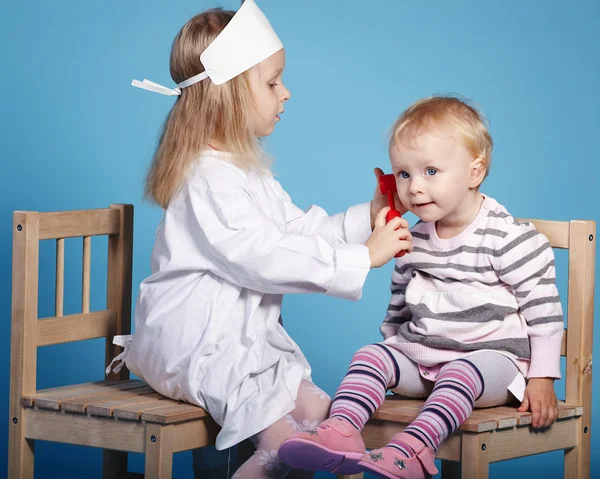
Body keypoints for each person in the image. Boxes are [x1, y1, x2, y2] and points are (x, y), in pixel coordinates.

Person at [106, 2, 411, 477]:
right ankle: (267, 460)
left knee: (311, 404)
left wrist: (366, 219)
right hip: (192, 341)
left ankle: (285, 453)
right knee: (262, 404)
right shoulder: (206, 179)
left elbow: (296, 232)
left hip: (236, 335)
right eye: (272, 82)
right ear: (226, 94)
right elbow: (261, 257)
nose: (286, 93)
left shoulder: (244, 173)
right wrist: (361, 259)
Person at [279, 96, 564, 479]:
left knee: (461, 372)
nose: (414, 188)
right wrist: (391, 350)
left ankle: (413, 450)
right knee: (370, 355)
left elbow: (543, 309)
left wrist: (542, 376)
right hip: (426, 358)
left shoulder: (505, 235)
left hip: (492, 364)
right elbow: (400, 305)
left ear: (474, 172)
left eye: (431, 171)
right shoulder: (412, 237)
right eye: (403, 174)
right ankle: (341, 431)